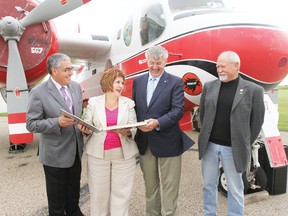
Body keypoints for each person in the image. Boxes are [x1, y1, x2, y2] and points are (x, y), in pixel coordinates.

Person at [198, 51, 265, 216]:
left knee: (235, 188)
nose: (219, 69)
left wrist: (244, 141)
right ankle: (209, 213)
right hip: (210, 146)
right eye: (217, 66)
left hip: (233, 149)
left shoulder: (254, 90)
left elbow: (257, 122)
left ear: (236, 66)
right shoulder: (209, 87)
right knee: (208, 185)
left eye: (223, 66)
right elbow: (203, 115)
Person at [132, 45, 194, 216]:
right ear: (147, 61)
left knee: (170, 185)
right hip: (145, 141)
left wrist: (157, 122)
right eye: (152, 62)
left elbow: (177, 110)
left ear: (165, 61)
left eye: (159, 63)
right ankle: (152, 213)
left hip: (168, 139)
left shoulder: (175, 82)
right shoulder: (138, 81)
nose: (155, 66)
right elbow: (135, 108)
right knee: (150, 185)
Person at [26, 53, 84, 216]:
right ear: (54, 71)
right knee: (57, 205)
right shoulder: (38, 92)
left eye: (71, 68)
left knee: (73, 198)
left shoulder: (75, 87)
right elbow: (31, 124)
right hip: (54, 156)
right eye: (67, 70)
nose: (71, 73)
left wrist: (84, 126)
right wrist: (56, 122)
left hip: (75, 153)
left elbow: (78, 114)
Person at [78, 68, 139, 216]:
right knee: (99, 195)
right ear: (108, 82)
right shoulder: (93, 102)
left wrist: (128, 132)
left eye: (122, 83)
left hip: (124, 157)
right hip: (98, 156)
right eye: (117, 82)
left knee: (121, 196)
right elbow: (87, 123)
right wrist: (86, 130)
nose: (120, 85)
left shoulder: (129, 103)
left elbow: (134, 126)